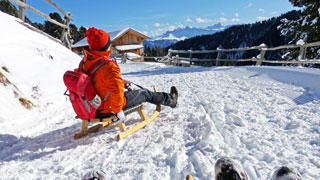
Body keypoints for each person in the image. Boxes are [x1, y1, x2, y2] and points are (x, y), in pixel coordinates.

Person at [79, 27, 178, 122]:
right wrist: (117, 111)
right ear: (105, 46)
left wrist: (121, 82)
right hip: (109, 107)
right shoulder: (108, 66)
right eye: (109, 43)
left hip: (92, 106)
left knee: (131, 93)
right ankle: (171, 100)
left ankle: (168, 99)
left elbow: (98, 82)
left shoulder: (85, 62)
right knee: (144, 93)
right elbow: (116, 89)